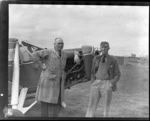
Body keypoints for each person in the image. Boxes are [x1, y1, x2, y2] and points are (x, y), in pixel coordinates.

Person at [31, 37, 80, 117]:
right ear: (54, 44)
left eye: (62, 43)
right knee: (45, 103)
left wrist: (76, 55)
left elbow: (75, 51)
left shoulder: (64, 53)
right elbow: (34, 55)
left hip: (58, 82)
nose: (60, 45)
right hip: (47, 81)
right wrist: (41, 65)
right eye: (59, 43)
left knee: (56, 103)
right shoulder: (49, 52)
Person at [85, 41, 121, 117]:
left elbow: (118, 74)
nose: (104, 49)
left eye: (106, 47)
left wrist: (111, 83)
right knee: (91, 106)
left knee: (106, 108)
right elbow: (92, 72)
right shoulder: (96, 58)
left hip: (107, 84)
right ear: (100, 48)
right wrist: (93, 82)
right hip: (96, 83)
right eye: (102, 47)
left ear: (109, 48)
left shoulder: (113, 60)